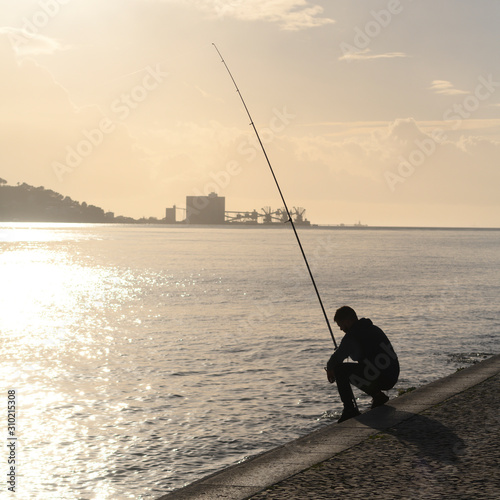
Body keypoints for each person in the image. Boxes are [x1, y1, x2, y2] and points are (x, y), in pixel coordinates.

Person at [326, 306, 399, 423]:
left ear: (348, 322)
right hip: (392, 374)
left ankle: (349, 409)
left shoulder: (352, 336)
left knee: (340, 369)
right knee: (357, 369)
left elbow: (336, 359)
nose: (340, 329)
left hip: (381, 376)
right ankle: (378, 396)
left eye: (340, 325)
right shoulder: (373, 328)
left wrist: (329, 369)